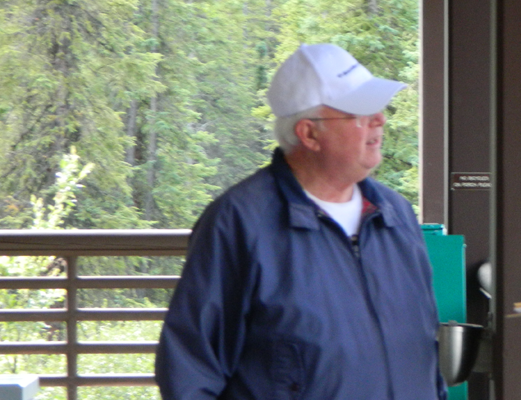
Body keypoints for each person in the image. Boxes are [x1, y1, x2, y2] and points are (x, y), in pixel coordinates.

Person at [155, 43, 447, 400]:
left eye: (378, 108)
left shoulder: (395, 214)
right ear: (309, 134)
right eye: (359, 112)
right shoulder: (239, 222)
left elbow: (423, 357)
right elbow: (191, 370)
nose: (380, 120)